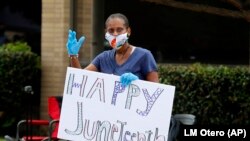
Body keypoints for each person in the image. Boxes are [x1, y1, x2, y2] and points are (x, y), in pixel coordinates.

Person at [66, 13, 159, 86]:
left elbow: (156, 90)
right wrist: (73, 56)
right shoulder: (103, 58)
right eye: (111, 30)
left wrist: (137, 83)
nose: (115, 34)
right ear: (106, 33)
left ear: (128, 31)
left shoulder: (144, 55)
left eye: (119, 30)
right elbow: (79, 79)